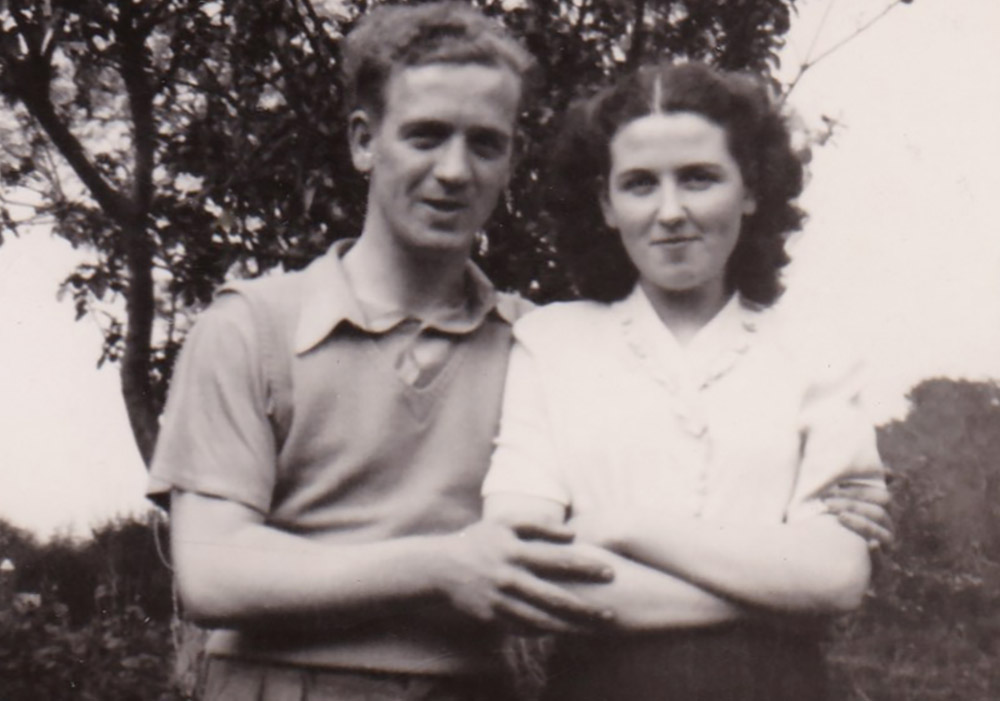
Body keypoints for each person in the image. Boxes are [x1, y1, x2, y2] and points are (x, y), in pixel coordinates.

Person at [149, 4, 621, 700]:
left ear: (512, 158)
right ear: (365, 141)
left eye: (485, 143)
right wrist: (440, 566)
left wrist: (826, 484)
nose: (454, 170)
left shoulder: (539, 341)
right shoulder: (253, 326)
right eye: (425, 136)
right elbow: (212, 571)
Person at [481, 61, 887, 701]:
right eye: (640, 184)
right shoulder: (553, 345)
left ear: (750, 190)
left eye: (699, 179)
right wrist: (780, 590)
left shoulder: (815, 350)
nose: (671, 212)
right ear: (606, 206)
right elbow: (526, 569)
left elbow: (836, 575)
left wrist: (621, 528)